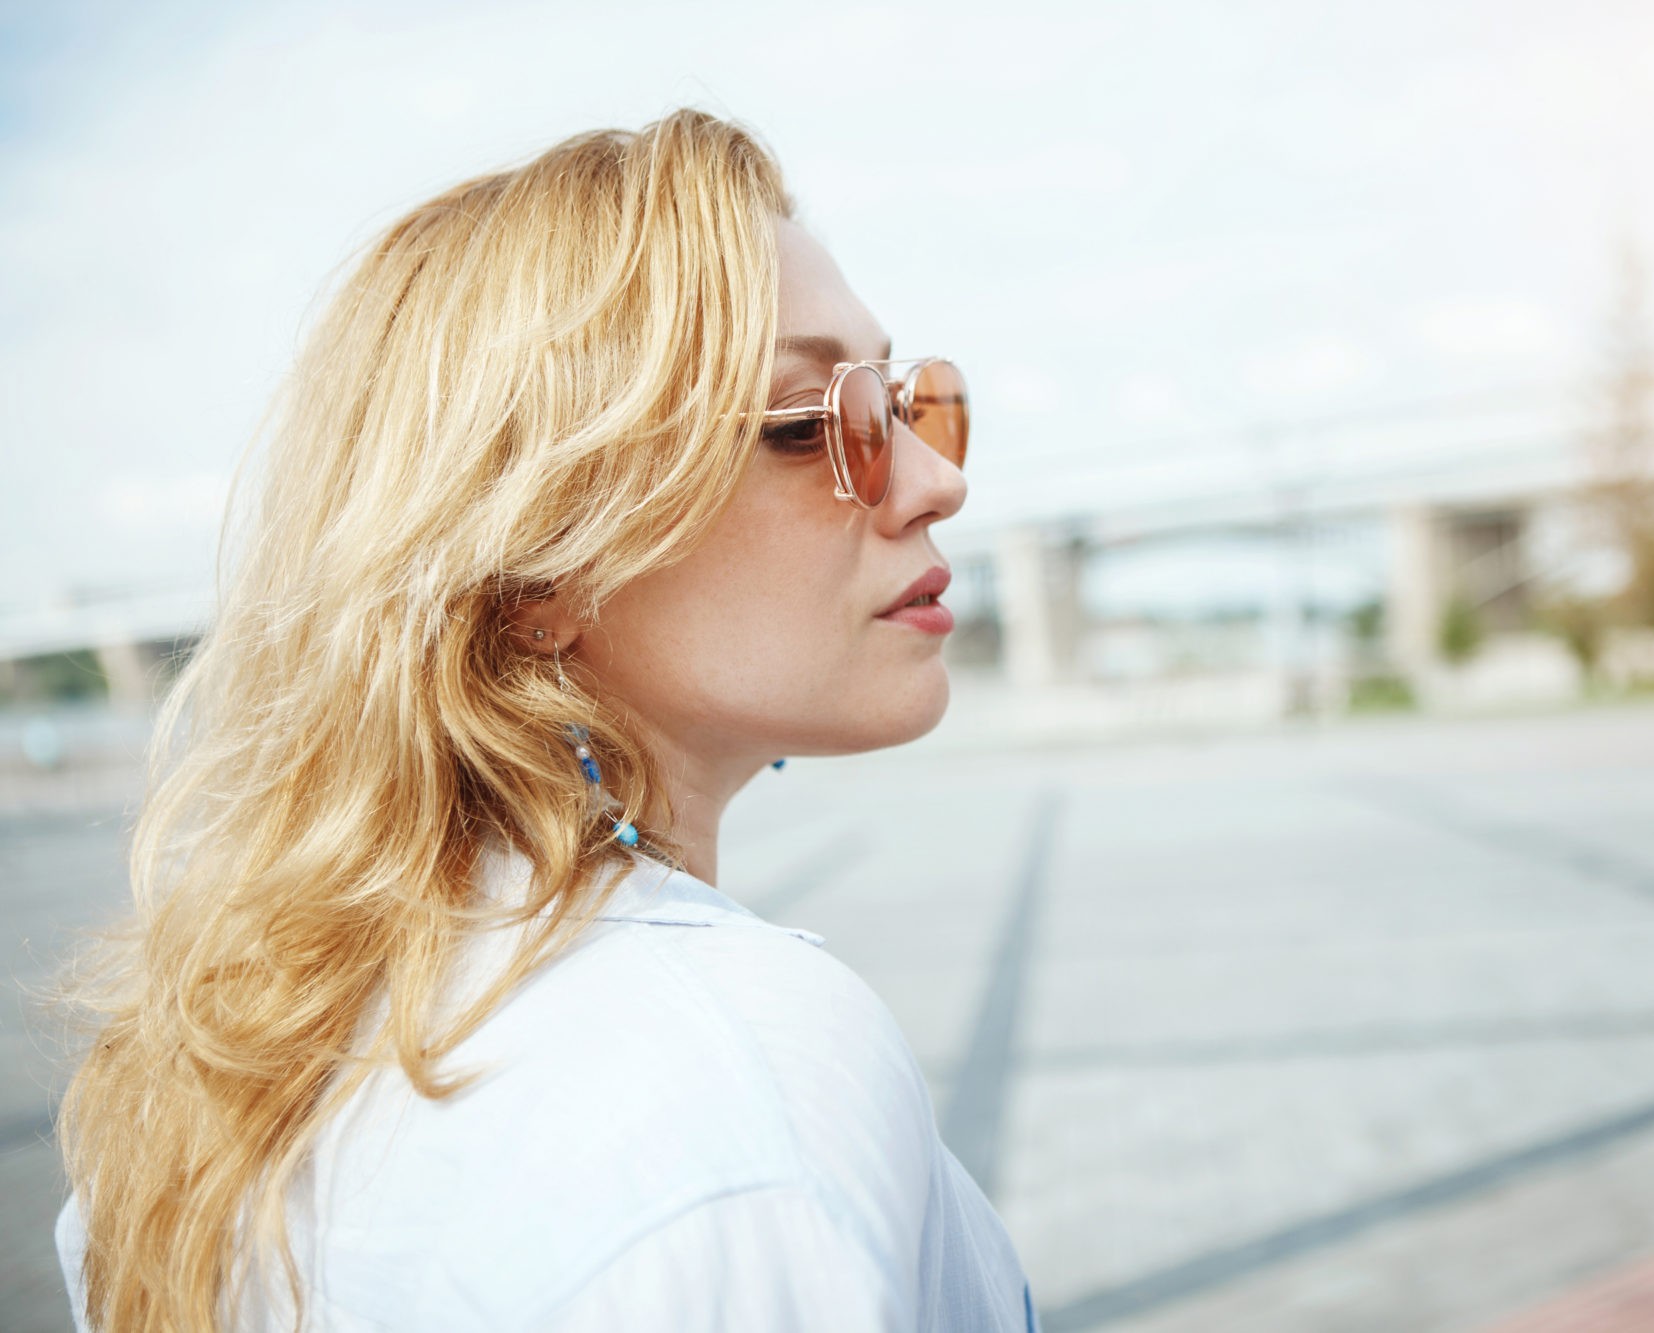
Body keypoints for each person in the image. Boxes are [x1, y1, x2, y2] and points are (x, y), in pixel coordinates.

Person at [51, 109, 1037, 1331]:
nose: (938, 479)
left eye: (901, 399)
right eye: (809, 421)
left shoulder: (238, 1067)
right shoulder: (732, 1090)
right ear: (540, 578)